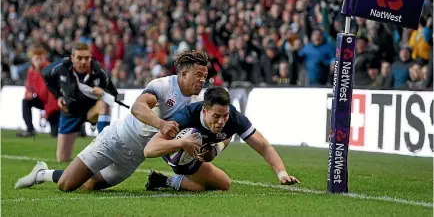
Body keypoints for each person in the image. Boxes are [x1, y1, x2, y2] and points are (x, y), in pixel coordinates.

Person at [14, 50, 209, 192]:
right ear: (183, 74)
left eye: (205, 77)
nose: (202, 80)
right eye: (198, 75)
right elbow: (137, 108)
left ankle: (69, 172)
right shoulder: (163, 85)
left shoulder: (196, 102)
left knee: (87, 185)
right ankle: (42, 173)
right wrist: (161, 124)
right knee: (67, 185)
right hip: (114, 141)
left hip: (133, 159)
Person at [143, 87, 300, 192]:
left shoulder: (234, 118)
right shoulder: (185, 118)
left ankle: (162, 180)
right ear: (204, 111)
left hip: (202, 147)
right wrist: (181, 143)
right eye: (216, 116)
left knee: (218, 183)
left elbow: (264, 147)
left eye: (224, 116)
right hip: (176, 152)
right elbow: (149, 150)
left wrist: (282, 173)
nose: (221, 121)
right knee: (213, 184)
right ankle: (166, 180)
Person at [41, 43, 119, 162]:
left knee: (104, 104)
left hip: (91, 109)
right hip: (70, 112)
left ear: (91, 57)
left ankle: (104, 146)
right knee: (62, 159)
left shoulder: (99, 71)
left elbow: (113, 95)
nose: (83, 61)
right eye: (79, 58)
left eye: (87, 58)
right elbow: (45, 75)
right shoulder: (61, 66)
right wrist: (59, 96)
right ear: (72, 58)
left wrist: (103, 93)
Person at [16, 47, 60, 138]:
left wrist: (46, 112)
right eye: (36, 59)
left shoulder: (49, 70)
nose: (38, 62)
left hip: (54, 104)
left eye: (40, 59)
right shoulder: (31, 71)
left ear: (44, 58)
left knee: (55, 134)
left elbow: (52, 95)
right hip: (41, 100)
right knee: (26, 101)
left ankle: (79, 130)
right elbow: (28, 86)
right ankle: (30, 129)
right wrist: (28, 93)